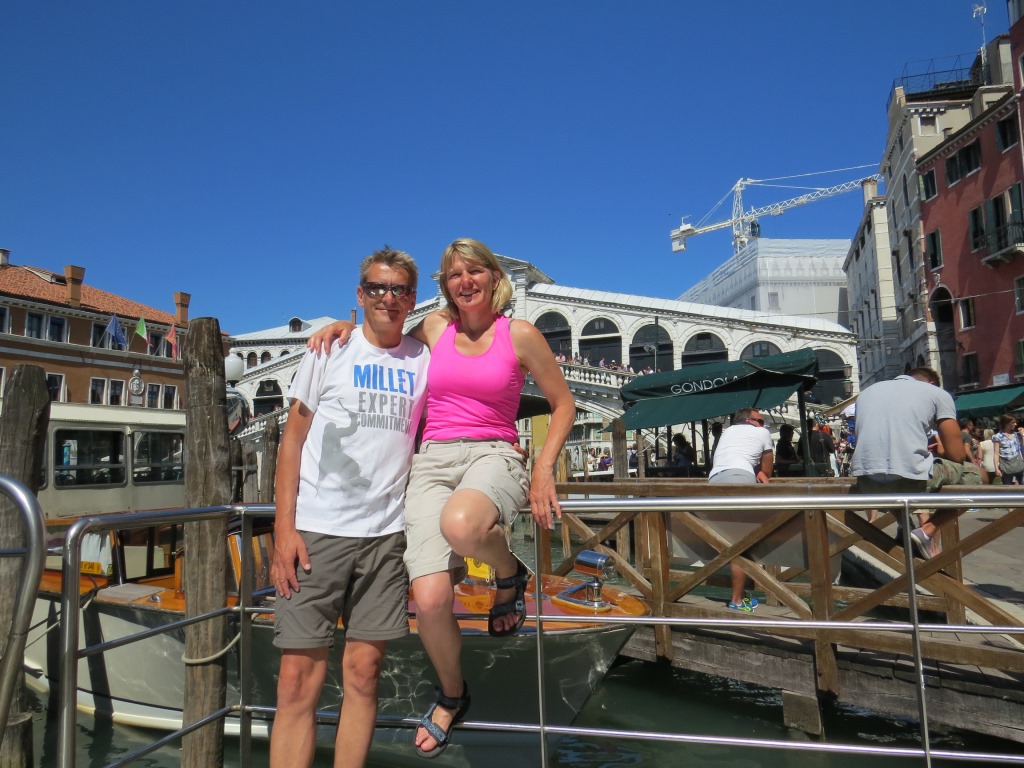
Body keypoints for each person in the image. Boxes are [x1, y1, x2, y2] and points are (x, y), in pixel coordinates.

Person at [309, 237, 575, 758]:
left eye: (475, 271)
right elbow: (382, 338)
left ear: (494, 278)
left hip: (493, 453)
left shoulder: (519, 334)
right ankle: (453, 693)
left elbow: (562, 404)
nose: (465, 281)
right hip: (431, 459)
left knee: (462, 525)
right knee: (429, 600)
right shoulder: (434, 328)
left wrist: (544, 468)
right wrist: (345, 327)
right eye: (455, 274)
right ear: (445, 286)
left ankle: (509, 573)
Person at [270, 247, 430, 768]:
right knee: (297, 681)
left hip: (385, 538)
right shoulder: (328, 351)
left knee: (364, 675)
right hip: (317, 533)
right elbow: (292, 442)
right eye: (377, 288)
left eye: (399, 289)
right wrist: (284, 530)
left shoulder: (424, 358)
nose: (388, 298)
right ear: (360, 295)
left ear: (413, 299)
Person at [849, 367, 966, 559]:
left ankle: (904, 524)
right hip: (911, 483)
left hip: (868, 483)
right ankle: (927, 530)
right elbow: (957, 455)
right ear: (932, 383)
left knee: (891, 471)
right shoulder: (936, 393)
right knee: (976, 476)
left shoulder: (866, 393)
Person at [707, 408, 774, 611]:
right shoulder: (762, 433)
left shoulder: (727, 432)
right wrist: (758, 472)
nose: (763, 425)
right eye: (760, 421)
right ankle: (736, 600)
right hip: (740, 479)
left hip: (713, 481)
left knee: (726, 540)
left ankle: (740, 595)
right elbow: (767, 471)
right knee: (740, 544)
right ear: (748, 420)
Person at [992, 413, 1024, 485]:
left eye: (1015, 422)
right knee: (1007, 488)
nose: (1015, 424)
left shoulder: (1017, 434)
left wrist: (1022, 435)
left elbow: (1023, 446)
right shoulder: (997, 437)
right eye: (1013, 422)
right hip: (1006, 466)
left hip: (1019, 465)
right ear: (1006, 423)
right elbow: (996, 453)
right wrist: (996, 468)